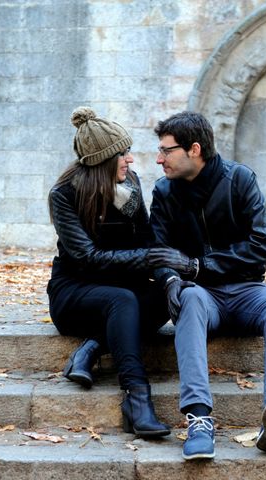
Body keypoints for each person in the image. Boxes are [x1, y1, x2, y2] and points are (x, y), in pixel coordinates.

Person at [147, 111, 266, 458]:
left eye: (166, 151)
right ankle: (199, 420)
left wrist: (198, 266)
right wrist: (171, 279)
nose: (159, 158)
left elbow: (260, 247)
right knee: (191, 300)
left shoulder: (240, 180)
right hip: (203, 297)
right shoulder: (165, 191)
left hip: (247, 291)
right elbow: (158, 250)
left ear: (194, 149)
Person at [46, 107, 197, 438]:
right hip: (75, 292)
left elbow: (147, 239)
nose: (130, 160)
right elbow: (87, 257)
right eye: (122, 154)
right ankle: (136, 400)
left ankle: (93, 347)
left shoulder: (131, 184)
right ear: (102, 160)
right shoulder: (65, 195)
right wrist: (146, 258)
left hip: (121, 293)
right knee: (123, 300)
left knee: (171, 292)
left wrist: (168, 274)